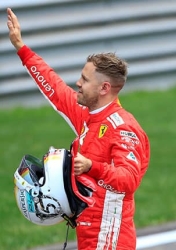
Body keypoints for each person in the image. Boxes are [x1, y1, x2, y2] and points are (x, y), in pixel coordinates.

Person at [7, 8, 150, 250]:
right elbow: (53, 86)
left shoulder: (123, 129)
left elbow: (129, 180)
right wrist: (21, 47)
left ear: (104, 88)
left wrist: (92, 167)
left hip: (110, 238)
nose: (78, 83)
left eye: (84, 79)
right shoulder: (87, 114)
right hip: (88, 231)